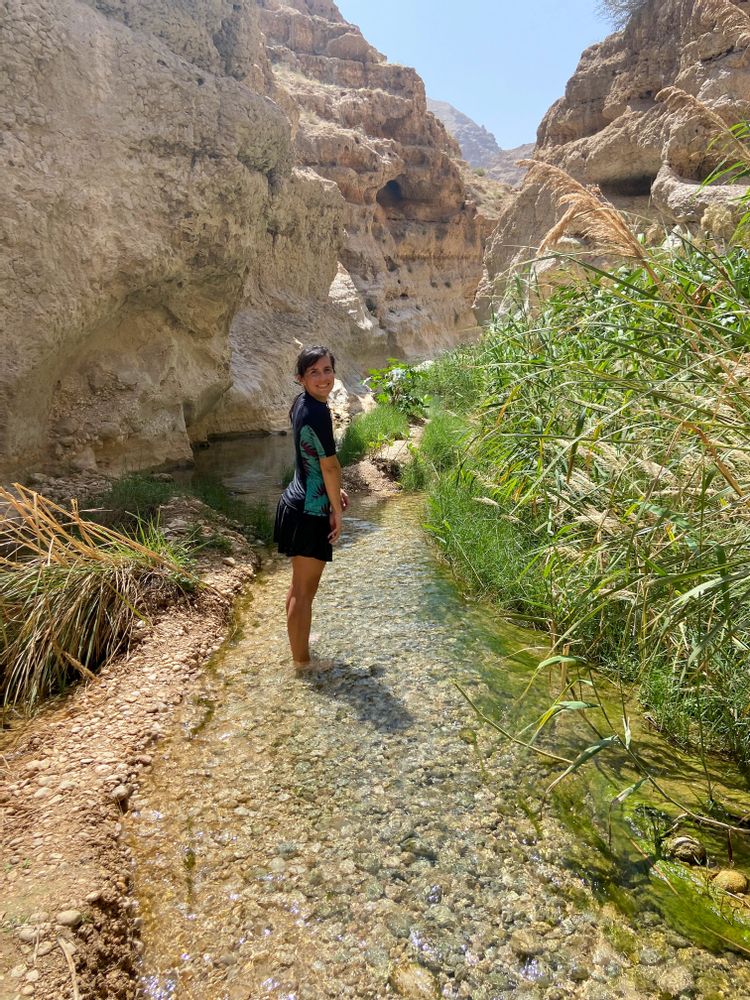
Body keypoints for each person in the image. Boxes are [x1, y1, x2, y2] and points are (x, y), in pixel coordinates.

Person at [273, 346, 348, 671]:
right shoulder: (317, 412)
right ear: (300, 377)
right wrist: (337, 510)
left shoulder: (303, 404)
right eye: (314, 372)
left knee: (298, 587)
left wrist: (334, 493)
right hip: (309, 513)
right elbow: (330, 467)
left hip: (296, 502)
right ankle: (302, 663)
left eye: (327, 370)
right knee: (304, 592)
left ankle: (298, 641)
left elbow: (310, 462)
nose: (322, 378)